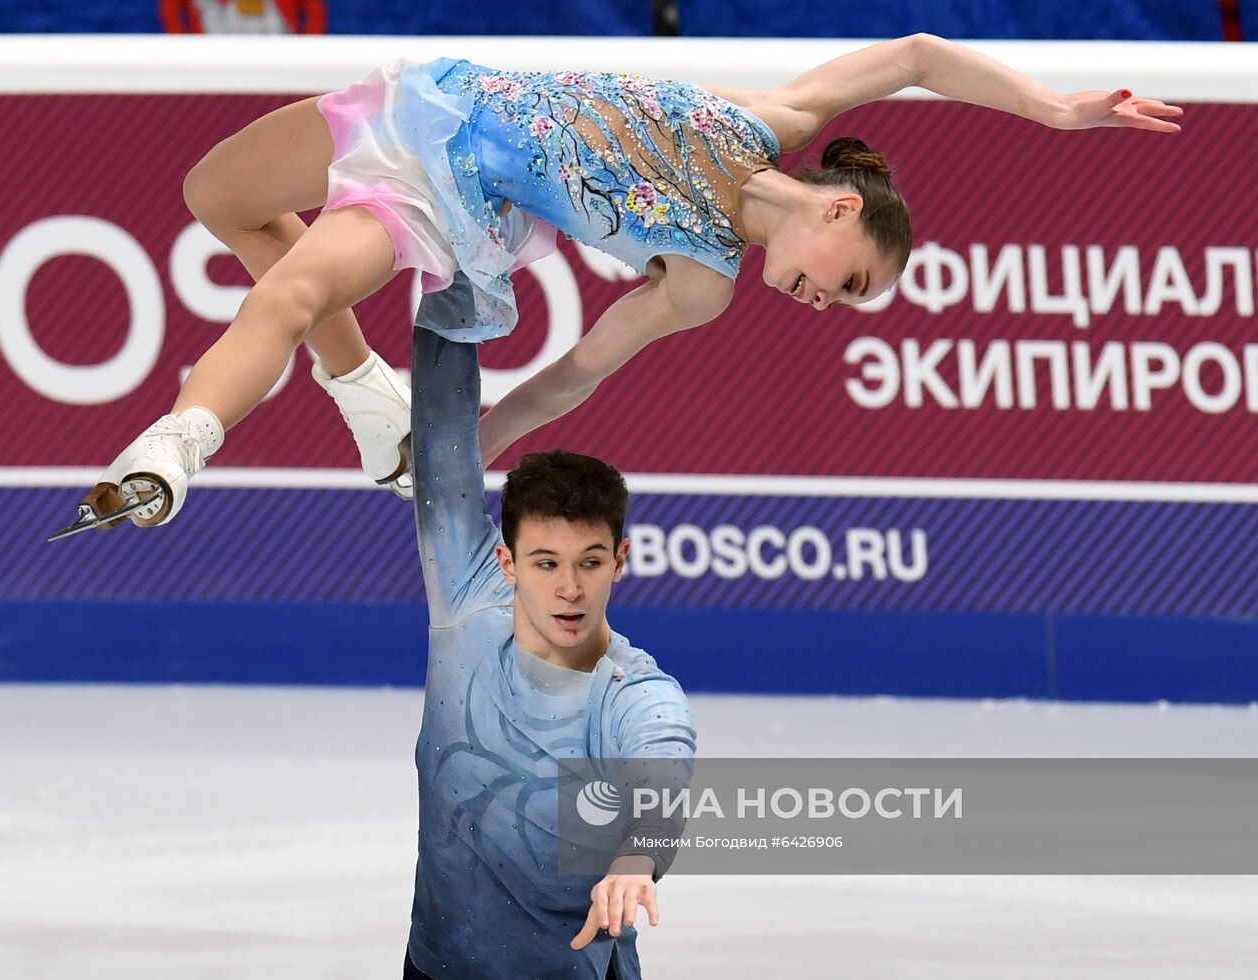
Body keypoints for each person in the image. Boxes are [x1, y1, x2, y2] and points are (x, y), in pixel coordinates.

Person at [72, 33, 1181, 526]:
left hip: (448, 197)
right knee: (215, 194)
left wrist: (461, 451)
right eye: (846, 283)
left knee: (291, 295)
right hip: (428, 98)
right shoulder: (778, 121)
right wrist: (1053, 111)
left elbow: (572, 378)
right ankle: (361, 392)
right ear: (839, 208)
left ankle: (174, 445)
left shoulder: (699, 282)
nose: (825, 306)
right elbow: (917, 54)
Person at [402, 317, 696, 979]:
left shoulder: (636, 695)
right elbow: (443, 428)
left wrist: (632, 865)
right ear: (506, 563)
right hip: (433, 967)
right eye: (544, 563)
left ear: (621, 559)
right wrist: (458, 270)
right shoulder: (467, 601)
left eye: (590, 562)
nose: (569, 590)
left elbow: (663, 778)